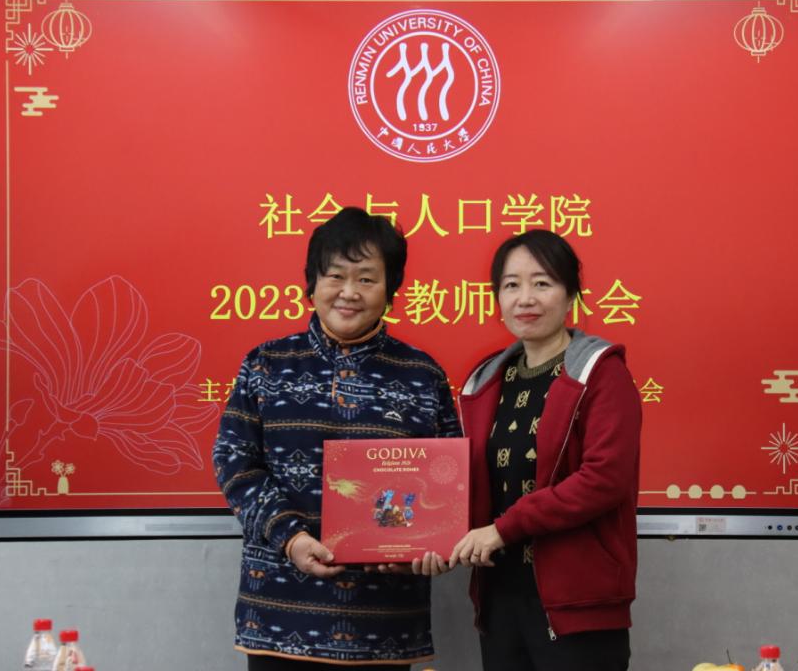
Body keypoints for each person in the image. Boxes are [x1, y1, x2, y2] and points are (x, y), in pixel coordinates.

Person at [213, 207, 460, 670]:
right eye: (335, 276)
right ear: (312, 284)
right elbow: (234, 461)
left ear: (391, 289)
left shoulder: (422, 374)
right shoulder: (266, 364)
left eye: (366, 278)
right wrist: (290, 537)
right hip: (278, 618)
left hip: (386, 624)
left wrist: (429, 546)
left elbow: (447, 481)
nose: (349, 292)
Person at [444, 229, 642, 671]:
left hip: (577, 604)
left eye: (542, 283)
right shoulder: (486, 380)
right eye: (511, 285)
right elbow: (469, 485)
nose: (525, 299)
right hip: (500, 597)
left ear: (570, 294)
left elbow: (603, 480)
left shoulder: (602, 374)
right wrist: (432, 542)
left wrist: (503, 529)